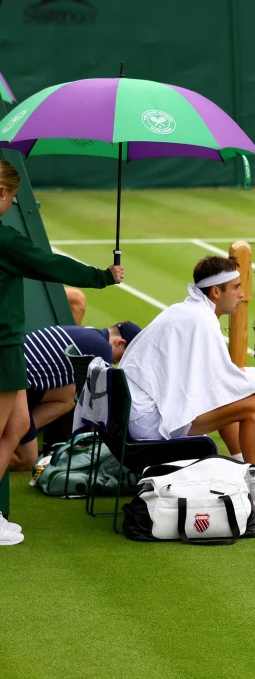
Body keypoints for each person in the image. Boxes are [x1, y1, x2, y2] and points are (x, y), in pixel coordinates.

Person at [119, 255, 255, 531]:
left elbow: (217, 377)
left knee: (231, 397)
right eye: (236, 287)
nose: (243, 295)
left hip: (141, 417)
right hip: (150, 426)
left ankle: (253, 484)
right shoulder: (200, 320)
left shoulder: (191, 312)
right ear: (216, 291)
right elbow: (224, 382)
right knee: (252, 405)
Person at [0, 159, 124, 545]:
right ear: (3, 193)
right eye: (12, 197)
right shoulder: (2, 238)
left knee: (18, 426)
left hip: (9, 345)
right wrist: (102, 277)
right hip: (1, 346)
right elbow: (47, 263)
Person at [10, 321, 141, 472]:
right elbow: (104, 405)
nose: (116, 363)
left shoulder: (89, 332)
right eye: (120, 358)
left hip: (20, 379)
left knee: (68, 394)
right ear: (119, 342)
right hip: (14, 386)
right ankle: (16, 436)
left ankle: (20, 433)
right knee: (27, 460)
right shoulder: (103, 348)